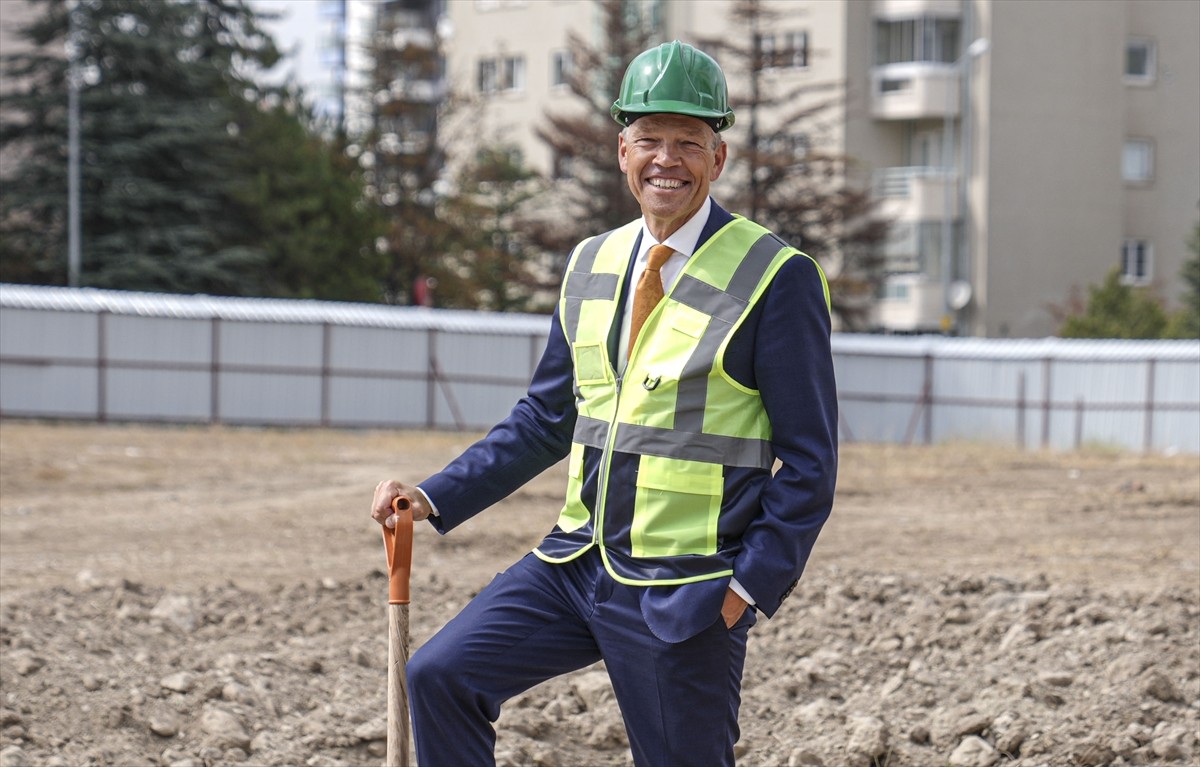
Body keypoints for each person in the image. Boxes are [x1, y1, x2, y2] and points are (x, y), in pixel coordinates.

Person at [371, 40, 838, 766]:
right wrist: (432, 496)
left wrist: (745, 589)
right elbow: (546, 420)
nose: (666, 159)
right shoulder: (592, 262)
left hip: (684, 586)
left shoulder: (776, 275)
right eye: (649, 140)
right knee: (441, 675)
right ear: (622, 151)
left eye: (689, 142)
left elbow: (810, 461)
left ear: (719, 159)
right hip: (573, 563)